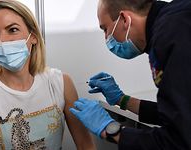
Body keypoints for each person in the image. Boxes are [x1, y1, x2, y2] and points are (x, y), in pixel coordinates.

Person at [0, 0, 96, 149]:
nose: (2, 41)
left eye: (12, 30)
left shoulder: (60, 83)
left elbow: (86, 146)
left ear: (33, 36)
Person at [70, 0, 191, 149]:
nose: (106, 38)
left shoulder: (171, 33)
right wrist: (123, 100)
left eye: (105, 29)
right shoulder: (175, 19)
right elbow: (179, 114)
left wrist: (110, 129)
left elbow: (178, 141)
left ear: (125, 20)